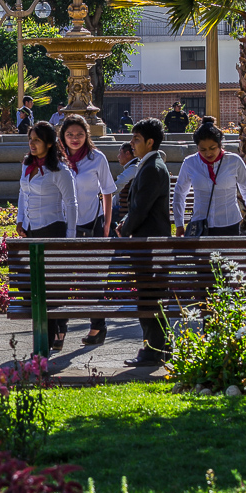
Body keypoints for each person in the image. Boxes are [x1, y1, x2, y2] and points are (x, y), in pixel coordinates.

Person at [16, 120, 78, 352]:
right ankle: (49, 334)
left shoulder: (60, 171)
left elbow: (71, 205)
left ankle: (49, 338)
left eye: (37, 140)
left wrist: (69, 239)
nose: (32, 144)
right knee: (33, 287)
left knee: (50, 289)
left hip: (53, 230)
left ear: (50, 143)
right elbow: (23, 192)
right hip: (32, 230)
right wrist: (20, 218)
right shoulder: (27, 165)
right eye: (30, 140)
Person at [59, 114, 117, 347]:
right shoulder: (56, 158)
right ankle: (59, 330)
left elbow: (107, 191)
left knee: (92, 279)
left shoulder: (96, 158)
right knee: (61, 280)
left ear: (87, 135)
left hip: (90, 224)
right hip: (62, 226)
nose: (75, 139)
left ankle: (97, 326)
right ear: (62, 136)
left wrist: (106, 224)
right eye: (70, 134)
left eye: (80, 134)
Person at [117, 118, 172, 366]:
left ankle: (152, 350)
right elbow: (139, 207)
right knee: (152, 296)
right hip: (151, 242)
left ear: (150, 142)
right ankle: (162, 347)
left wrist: (124, 228)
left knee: (149, 297)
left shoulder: (153, 168)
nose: (132, 143)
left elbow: (140, 209)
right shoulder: (150, 165)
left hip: (151, 244)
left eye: (136, 139)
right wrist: (126, 222)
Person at [173, 115, 246, 238]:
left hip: (229, 224)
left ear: (220, 144)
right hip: (200, 224)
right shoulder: (190, 162)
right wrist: (179, 224)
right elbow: (179, 194)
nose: (208, 153)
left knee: (227, 257)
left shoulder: (234, 161)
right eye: (203, 149)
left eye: (212, 148)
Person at [112, 142, 139, 225]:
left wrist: (102, 194)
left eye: (120, 153)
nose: (118, 156)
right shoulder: (133, 167)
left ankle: (114, 236)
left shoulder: (133, 169)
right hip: (125, 208)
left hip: (126, 209)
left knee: (101, 215)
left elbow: (116, 186)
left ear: (127, 153)